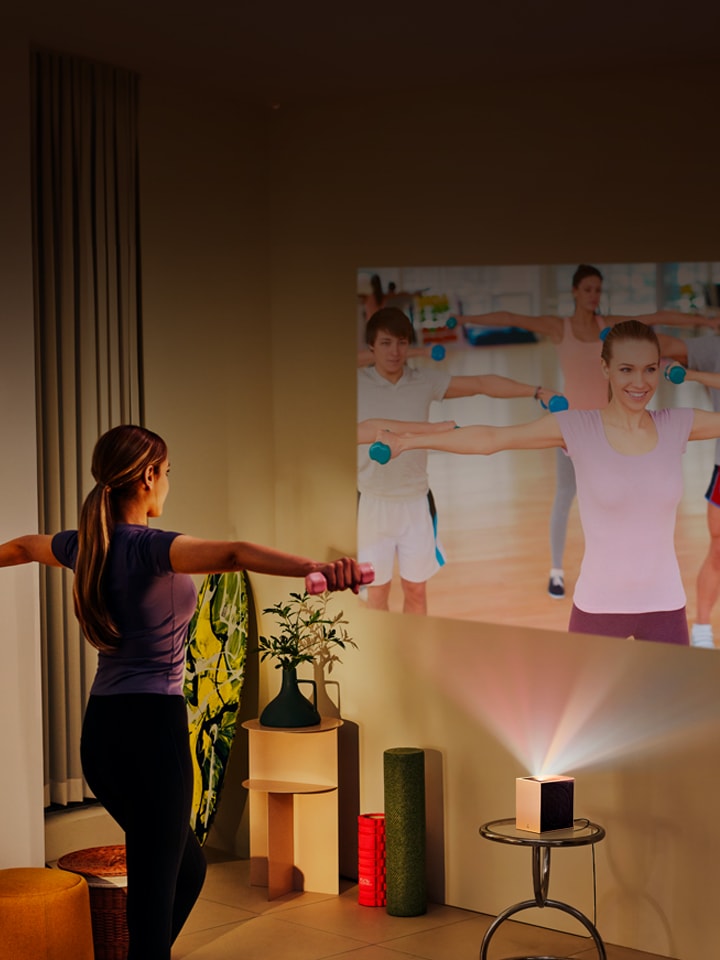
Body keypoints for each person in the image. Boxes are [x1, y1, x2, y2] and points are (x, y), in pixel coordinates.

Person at [0, 424, 363, 960]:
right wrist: (315, 568)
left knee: (186, 869)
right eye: (167, 473)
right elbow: (236, 553)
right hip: (153, 736)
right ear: (147, 477)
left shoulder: (85, 546)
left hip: (101, 738)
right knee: (152, 902)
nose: (168, 484)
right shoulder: (151, 549)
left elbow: (25, 546)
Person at [368, 321, 720, 645]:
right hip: (599, 606)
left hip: (666, 604)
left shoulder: (677, 424)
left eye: (650, 369)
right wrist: (408, 441)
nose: (639, 383)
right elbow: (492, 438)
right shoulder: (578, 427)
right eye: (626, 369)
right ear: (605, 369)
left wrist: (702, 378)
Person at [457, 264, 705, 600]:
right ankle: (556, 571)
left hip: (613, 430)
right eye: (587, 289)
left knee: (621, 498)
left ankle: (629, 571)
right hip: (575, 430)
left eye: (597, 290)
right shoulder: (560, 328)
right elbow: (512, 317)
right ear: (575, 291)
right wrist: (465, 319)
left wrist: (708, 324)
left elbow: (657, 315)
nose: (593, 296)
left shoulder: (611, 326)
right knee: (564, 497)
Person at [358, 306, 559, 615]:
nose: (395, 351)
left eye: (401, 342)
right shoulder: (355, 382)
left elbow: (481, 384)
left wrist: (535, 391)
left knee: (416, 592)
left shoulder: (423, 380)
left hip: (415, 502)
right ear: (371, 346)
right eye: (385, 343)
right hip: (371, 504)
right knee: (376, 596)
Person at [658, 331, 720, 648]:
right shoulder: (714, 345)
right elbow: (664, 343)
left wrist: (691, 375)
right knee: (719, 551)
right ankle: (702, 629)